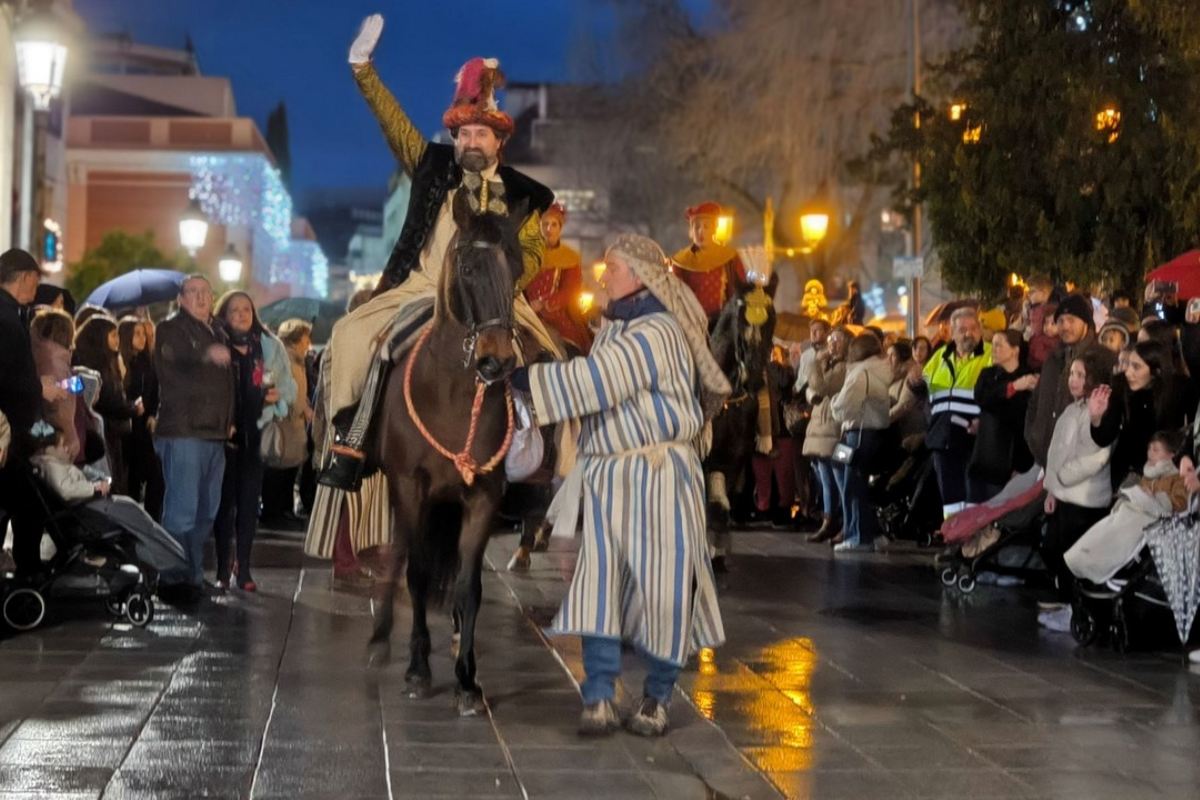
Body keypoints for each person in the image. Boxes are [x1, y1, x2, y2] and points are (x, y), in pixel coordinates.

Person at [318, 15, 558, 491]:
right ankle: (350, 441)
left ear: (498, 141)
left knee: (552, 356)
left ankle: (541, 464)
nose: (470, 142)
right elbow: (394, 122)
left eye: (480, 135)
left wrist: (503, 279)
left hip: (496, 300)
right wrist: (362, 68)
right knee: (347, 336)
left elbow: (533, 251)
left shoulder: (522, 194)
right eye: (463, 135)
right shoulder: (430, 166)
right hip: (423, 290)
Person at [514, 233, 728, 737]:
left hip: (658, 478)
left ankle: (656, 697)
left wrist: (525, 380)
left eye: (610, 267)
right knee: (598, 587)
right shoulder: (619, 326)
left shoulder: (656, 330)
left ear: (637, 275)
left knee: (664, 590)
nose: (601, 275)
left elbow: (598, 382)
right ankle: (599, 696)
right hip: (613, 476)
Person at [154, 275, 234, 593]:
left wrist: (230, 420)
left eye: (206, 292)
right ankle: (172, 576)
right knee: (182, 509)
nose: (201, 297)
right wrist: (206, 356)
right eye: (193, 292)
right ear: (181, 299)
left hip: (214, 434)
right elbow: (175, 366)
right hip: (184, 431)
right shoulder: (171, 328)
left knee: (206, 511)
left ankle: (194, 573)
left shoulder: (217, 331)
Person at [211, 291, 294, 592]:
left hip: (256, 434)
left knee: (248, 505)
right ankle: (222, 566)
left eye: (247, 309)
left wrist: (279, 399)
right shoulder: (216, 344)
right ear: (225, 314)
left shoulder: (268, 346)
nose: (242, 314)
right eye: (235, 310)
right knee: (223, 505)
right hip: (224, 436)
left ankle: (243, 568)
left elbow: (289, 388)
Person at [0, 249, 66, 579]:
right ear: (25, 277)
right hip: (10, 438)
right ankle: (28, 581)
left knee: (22, 507)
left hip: (15, 436)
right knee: (28, 508)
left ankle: (26, 579)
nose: (36, 289)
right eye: (36, 281)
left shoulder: (12, 313)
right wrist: (40, 388)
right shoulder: (6, 317)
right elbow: (8, 378)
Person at [1039, 353, 1113, 632]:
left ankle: (1077, 612)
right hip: (1065, 494)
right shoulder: (1071, 410)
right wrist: (1052, 489)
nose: (1074, 380)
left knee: (1074, 557)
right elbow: (1058, 451)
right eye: (1072, 374)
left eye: (1081, 375)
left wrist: (1063, 477)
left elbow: (1095, 455)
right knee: (1054, 549)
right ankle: (1067, 605)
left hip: (1084, 498)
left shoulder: (1097, 411)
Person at [1066, 430, 1189, 585]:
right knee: (1105, 529)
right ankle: (1084, 560)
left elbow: (1179, 503)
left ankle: (1103, 565)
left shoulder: (1177, 478)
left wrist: (1155, 497)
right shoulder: (1148, 475)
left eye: (1156, 450)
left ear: (1171, 455)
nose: (1150, 453)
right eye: (1149, 449)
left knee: (1119, 533)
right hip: (1132, 513)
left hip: (1151, 521)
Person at [913, 307, 992, 518]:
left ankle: (973, 544)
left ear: (981, 329)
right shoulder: (940, 355)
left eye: (973, 328)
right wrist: (914, 383)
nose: (968, 333)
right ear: (952, 333)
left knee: (973, 495)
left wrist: (983, 422)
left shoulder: (990, 355)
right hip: (942, 435)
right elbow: (926, 390)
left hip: (972, 436)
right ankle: (954, 539)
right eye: (962, 329)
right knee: (950, 498)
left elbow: (998, 396)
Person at [1024, 293, 1115, 469]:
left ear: (1086, 323)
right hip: (1044, 458)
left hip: (1077, 466)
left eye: (1072, 320)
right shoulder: (1053, 358)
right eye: (1061, 321)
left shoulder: (1103, 359)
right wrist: (1033, 434)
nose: (1065, 326)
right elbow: (1036, 400)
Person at [1088, 340, 1190, 492]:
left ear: (1156, 370)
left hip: (1166, 478)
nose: (1128, 372)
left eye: (1136, 367)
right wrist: (1096, 418)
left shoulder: (1178, 391)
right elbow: (1105, 437)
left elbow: (1186, 434)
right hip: (1126, 475)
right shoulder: (1121, 386)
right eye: (1128, 364)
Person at [830, 332, 892, 552]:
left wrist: (834, 401)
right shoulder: (881, 370)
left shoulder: (860, 373)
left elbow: (844, 408)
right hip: (872, 433)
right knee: (842, 470)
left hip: (858, 432)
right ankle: (872, 532)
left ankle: (858, 536)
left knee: (852, 485)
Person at [72, 315, 144, 495]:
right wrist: (132, 408)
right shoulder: (90, 367)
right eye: (113, 335)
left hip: (114, 432)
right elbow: (106, 401)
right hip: (101, 432)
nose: (117, 340)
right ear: (100, 337)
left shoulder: (110, 361)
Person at [967, 330, 1036, 500]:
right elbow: (982, 397)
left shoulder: (1029, 376)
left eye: (999, 345)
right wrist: (1012, 388)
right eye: (993, 344)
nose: (994, 349)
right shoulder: (988, 375)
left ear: (1015, 350)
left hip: (1014, 461)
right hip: (986, 456)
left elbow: (1025, 420)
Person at [261, 318, 314, 528]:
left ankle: (284, 509)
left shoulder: (298, 361)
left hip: (295, 426)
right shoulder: (284, 360)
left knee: (288, 470)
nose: (308, 342)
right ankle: (274, 512)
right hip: (284, 424)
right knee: (278, 470)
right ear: (297, 339)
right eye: (305, 337)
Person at [524, 202, 591, 353]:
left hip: (556, 315)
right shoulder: (527, 255)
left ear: (560, 229)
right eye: (545, 224)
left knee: (573, 349)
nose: (549, 229)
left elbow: (570, 289)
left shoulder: (569, 257)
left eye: (554, 225)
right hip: (526, 313)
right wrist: (527, 305)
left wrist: (546, 303)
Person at [803, 326, 849, 543]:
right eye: (831, 340)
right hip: (820, 426)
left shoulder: (844, 366)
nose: (832, 344)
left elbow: (822, 386)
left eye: (838, 340)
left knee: (839, 475)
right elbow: (810, 389)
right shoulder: (827, 364)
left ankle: (842, 520)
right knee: (824, 477)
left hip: (834, 428)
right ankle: (827, 519)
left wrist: (814, 363)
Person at [671, 201, 748, 322]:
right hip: (692, 322)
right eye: (697, 227)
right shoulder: (681, 261)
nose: (701, 232)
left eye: (706, 226)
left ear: (714, 228)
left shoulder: (729, 256)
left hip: (723, 322)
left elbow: (741, 289)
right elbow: (676, 296)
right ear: (691, 231)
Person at [118, 316, 163, 521]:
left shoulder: (149, 362)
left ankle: (151, 520)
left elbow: (155, 392)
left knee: (154, 475)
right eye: (137, 334)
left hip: (144, 426)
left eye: (144, 334)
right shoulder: (120, 362)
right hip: (126, 428)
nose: (143, 338)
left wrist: (153, 414)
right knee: (130, 478)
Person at [30, 308, 80, 460]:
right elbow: (61, 408)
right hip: (58, 441)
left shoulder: (39, 354)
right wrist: (71, 438)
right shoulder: (55, 362)